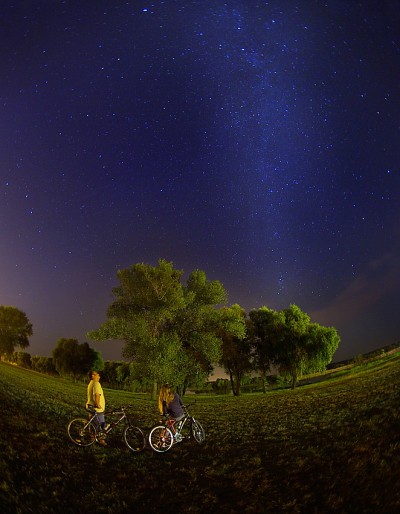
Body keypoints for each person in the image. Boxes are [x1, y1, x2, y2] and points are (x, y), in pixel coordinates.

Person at [86, 370, 107, 446]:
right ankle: (101, 440)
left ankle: (92, 438)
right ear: (93, 376)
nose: (99, 376)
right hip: (96, 408)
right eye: (97, 375)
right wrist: (97, 404)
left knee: (93, 423)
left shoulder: (90, 383)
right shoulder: (96, 383)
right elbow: (97, 394)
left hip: (90, 406)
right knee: (101, 424)